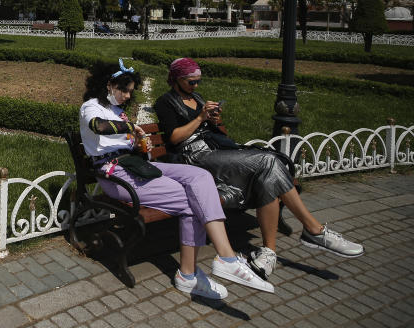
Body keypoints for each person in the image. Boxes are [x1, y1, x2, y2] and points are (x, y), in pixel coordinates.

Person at [154, 57, 364, 279]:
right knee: (269, 161)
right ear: (177, 79)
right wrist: (200, 117)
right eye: (191, 82)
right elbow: (175, 137)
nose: (196, 87)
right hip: (194, 157)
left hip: (215, 152)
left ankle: (268, 252)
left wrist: (212, 120)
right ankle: (313, 230)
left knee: (268, 176)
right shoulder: (165, 102)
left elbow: (207, 127)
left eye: (198, 82)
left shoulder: (196, 97)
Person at [81, 60, 274, 299]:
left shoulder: (116, 111)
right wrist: (131, 127)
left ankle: (226, 257)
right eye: (125, 90)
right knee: (190, 199)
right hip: (115, 175)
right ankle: (189, 274)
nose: (128, 96)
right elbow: (98, 127)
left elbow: (127, 143)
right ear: (109, 85)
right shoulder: (91, 107)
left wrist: (142, 145)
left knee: (201, 178)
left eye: (131, 91)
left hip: (138, 166)